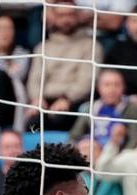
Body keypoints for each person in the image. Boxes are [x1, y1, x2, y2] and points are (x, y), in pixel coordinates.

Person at [24, 1, 103, 131]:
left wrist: (67, 99)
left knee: (60, 119)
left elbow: (87, 81)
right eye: (61, 15)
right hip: (43, 101)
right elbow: (35, 78)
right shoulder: (43, 47)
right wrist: (36, 99)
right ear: (53, 17)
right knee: (33, 123)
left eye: (70, 15)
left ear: (78, 16)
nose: (66, 20)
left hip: (74, 101)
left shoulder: (91, 46)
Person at [68, 69, 137, 149]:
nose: (112, 89)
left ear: (124, 87)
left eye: (117, 85)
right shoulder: (90, 107)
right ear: (99, 87)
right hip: (93, 150)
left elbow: (135, 140)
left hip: (119, 153)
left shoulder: (132, 108)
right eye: (107, 85)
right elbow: (74, 136)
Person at [0, 15, 30, 120]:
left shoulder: (23, 54)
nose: (5, 32)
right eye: (0, 28)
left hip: (15, 99)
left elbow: (18, 75)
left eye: (9, 28)